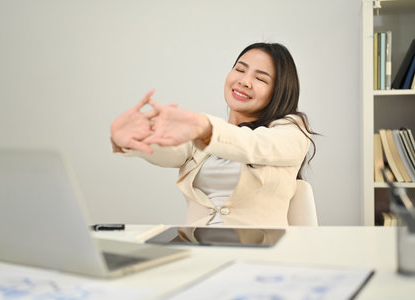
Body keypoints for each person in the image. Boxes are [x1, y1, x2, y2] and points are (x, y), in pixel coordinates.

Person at [110, 42, 316, 227]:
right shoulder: (205, 137)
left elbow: (253, 145)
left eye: (260, 78)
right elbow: (171, 151)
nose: (245, 81)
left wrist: (204, 127)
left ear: (279, 91)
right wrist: (135, 139)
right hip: (199, 248)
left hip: (259, 252)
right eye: (240, 69)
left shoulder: (292, 132)